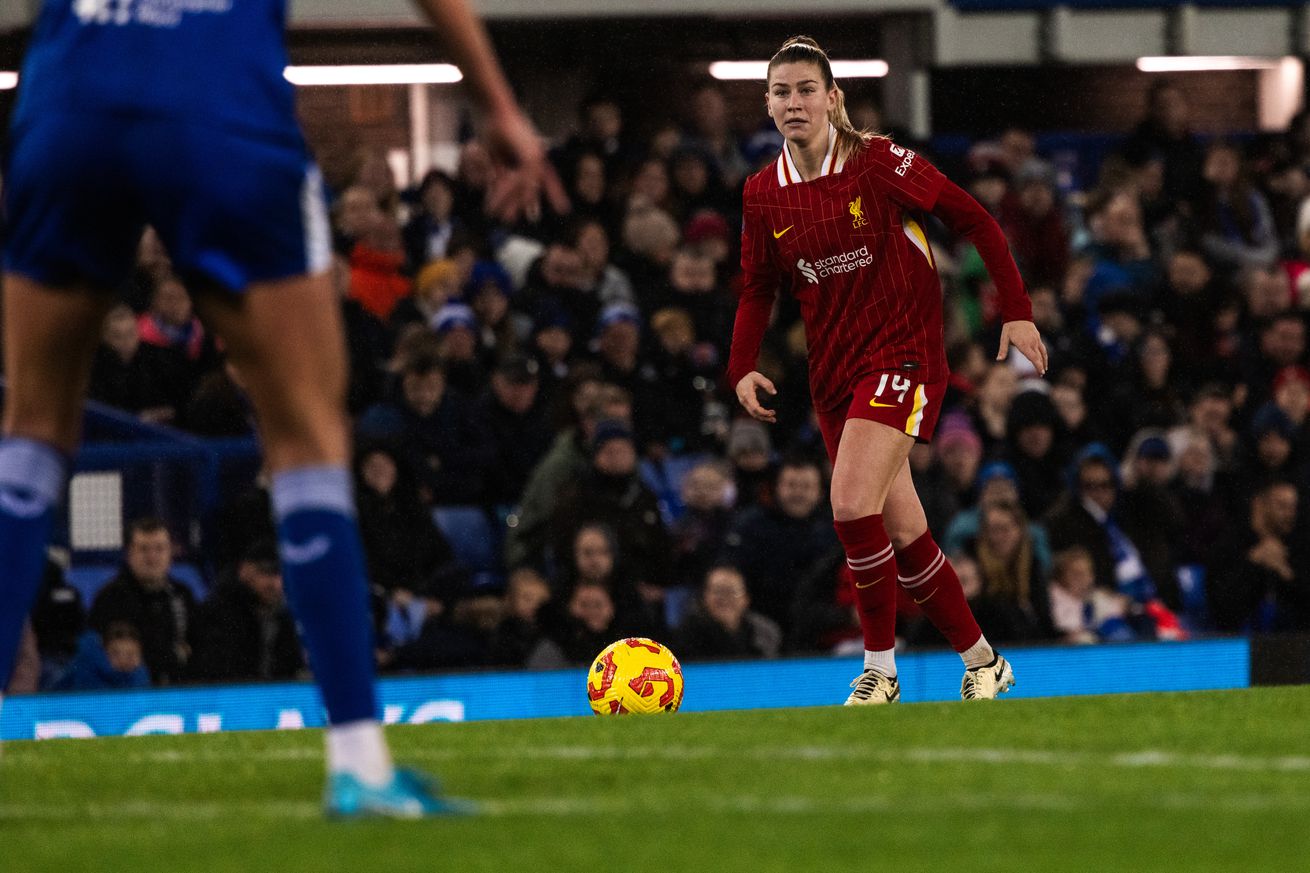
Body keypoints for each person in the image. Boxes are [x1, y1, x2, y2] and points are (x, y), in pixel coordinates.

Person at [1, 0, 564, 819]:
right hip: (217, 99)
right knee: (307, 437)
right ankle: (359, 762)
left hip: (70, 97)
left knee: (30, 438)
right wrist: (499, 106)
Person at [728, 37, 1047, 705]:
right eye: (782, 92)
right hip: (834, 375)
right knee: (905, 534)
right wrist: (741, 366)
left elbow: (974, 218)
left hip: (903, 354)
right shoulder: (761, 194)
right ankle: (985, 662)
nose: (794, 102)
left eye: (806, 89)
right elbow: (757, 288)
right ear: (768, 105)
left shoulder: (876, 162)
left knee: (850, 504)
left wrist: (1016, 311)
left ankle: (881, 671)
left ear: (832, 98)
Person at [87, 518, 196, 685]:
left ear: (170, 553)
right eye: (144, 549)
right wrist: (175, 654)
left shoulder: (182, 594)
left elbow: (198, 644)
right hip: (129, 690)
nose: (152, 557)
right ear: (129, 554)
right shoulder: (110, 598)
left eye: (159, 549)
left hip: (181, 689)